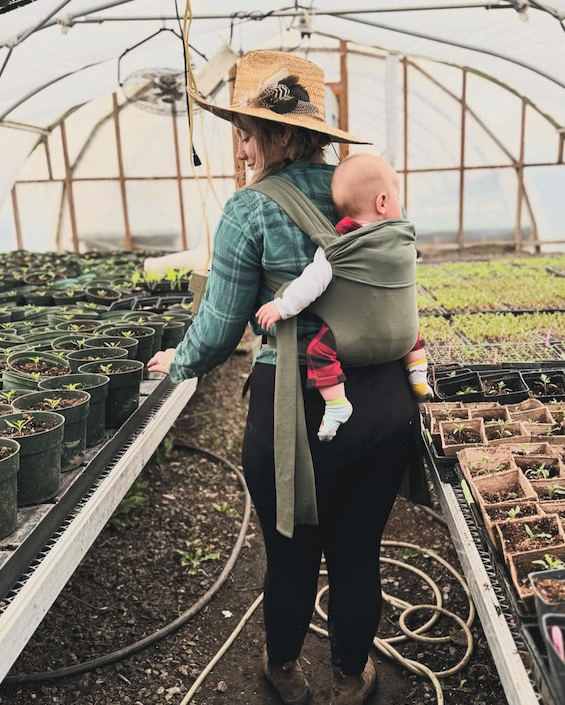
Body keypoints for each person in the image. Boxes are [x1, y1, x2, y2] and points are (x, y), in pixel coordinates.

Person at [148, 51, 426, 705]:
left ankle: (283, 673)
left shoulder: (250, 210)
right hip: (383, 400)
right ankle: (349, 678)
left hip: (297, 411)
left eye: (244, 131)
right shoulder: (362, 191)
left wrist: (177, 361)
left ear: (274, 134)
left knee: (293, 553)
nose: (239, 146)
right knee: (358, 552)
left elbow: (218, 329)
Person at [255, 153, 433, 443]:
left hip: (353, 338)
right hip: (401, 336)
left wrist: (281, 307)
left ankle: (337, 405)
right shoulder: (404, 239)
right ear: (383, 202)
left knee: (318, 351)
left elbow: (310, 284)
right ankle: (418, 376)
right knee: (411, 329)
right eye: (397, 196)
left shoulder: (339, 249)